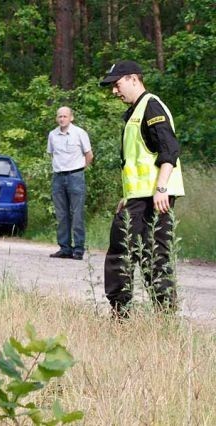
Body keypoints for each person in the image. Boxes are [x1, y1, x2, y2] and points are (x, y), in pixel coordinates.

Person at [99, 60, 185, 317]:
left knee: (139, 253)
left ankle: (133, 315)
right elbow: (138, 161)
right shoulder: (136, 111)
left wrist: (161, 188)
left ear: (133, 79)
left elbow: (169, 149)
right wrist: (127, 197)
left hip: (154, 197)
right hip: (141, 197)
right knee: (139, 252)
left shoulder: (151, 106)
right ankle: (129, 314)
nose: (115, 91)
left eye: (117, 84)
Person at [47, 106, 93, 260]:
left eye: (65, 116)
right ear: (56, 118)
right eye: (59, 116)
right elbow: (52, 154)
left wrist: (79, 170)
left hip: (75, 176)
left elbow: (89, 155)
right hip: (58, 177)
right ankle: (65, 248)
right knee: (61, 214)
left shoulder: (80, 133)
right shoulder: (53, 135)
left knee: (77, 213)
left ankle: (78, 249)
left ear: (71, 118)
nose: (62, 119)